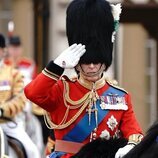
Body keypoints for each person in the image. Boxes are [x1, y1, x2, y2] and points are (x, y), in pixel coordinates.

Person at [24, 0, 143, 158]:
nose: (92, 66)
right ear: (78, 62)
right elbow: (32, 93)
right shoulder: (62, 89)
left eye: (97, 61)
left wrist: (130, 146)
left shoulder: (121, 97)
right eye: (86, 61)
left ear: (105, 60)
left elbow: (135, 133)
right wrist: (57, 66)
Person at [0, 33, 41, 158]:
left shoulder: (14, 73)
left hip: (6, 123)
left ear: (2, 51)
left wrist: (2, 110)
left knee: (32, 151)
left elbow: (20, 99)